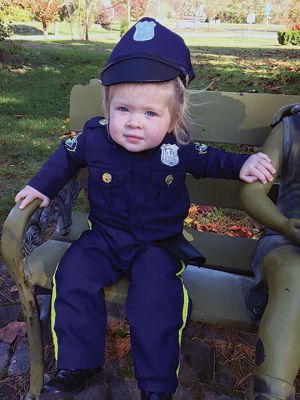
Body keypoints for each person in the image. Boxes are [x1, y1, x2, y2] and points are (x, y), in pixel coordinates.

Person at [15, 17, 276, 400]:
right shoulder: (95, 139)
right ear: (109, 107)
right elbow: (65, 156)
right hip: (105, 237)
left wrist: (243, 165)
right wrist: (40, 186)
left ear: (173, 117)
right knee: (73, 275)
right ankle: (78, 363)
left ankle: (156, 386)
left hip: (158, 244)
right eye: (124, 110)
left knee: (156, 297)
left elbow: (212, 159)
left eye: (150, 114)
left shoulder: (177, 149)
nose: (134, 123)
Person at [240, 104, 300, 400]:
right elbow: (252, 193)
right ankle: (269, 393)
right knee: (296, 275)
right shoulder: (290, 130)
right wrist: (285, 225)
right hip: (285, 243)